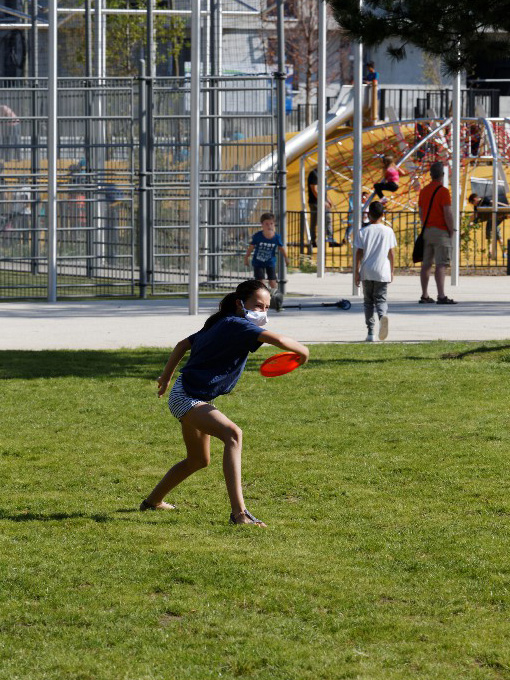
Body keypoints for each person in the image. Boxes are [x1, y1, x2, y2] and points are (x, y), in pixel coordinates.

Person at [140, 279, 309, 526]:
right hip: (188, 396)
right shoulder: (236, 325)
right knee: (233, 434)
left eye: (266, 307)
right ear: (240, 304)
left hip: (187, 392)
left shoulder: (222, 323)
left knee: (198, 460)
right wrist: (304, 353)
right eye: (258, 306)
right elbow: (281, 341)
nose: (263, 312)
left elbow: (181, 345)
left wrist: (166, 377)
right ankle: (239, 514)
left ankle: (152, 502)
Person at [354, 201, 397, 342]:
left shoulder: (363, 232)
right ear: (382, 214)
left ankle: (370, 332)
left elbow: (359, 253)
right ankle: (382, 316)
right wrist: (392, 270)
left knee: (368, 302)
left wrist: (356, 271)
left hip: (367, 270)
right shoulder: (388, 231)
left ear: (368, 214)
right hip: (382, 270)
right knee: (381, 299)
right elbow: (391, 253)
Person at [418, 162, 457, 304]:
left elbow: (421, 212)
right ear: (442, 175)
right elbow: (447, 212)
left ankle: (424, 295)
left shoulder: (424, 191)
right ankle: (441, 295)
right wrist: (451, 229)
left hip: (427, 230)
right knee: (441, 264)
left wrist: (425, 225)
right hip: (441, 231)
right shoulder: (443, 191)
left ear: (430, 174)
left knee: (426, 264)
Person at [244, 212, 289, 295]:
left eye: (271, 224)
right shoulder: (258, 236)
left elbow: (281, 248)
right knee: (260, 281)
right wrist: (246, 257)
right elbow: (251, 247)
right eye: (266, 224)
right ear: (262, 225)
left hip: (270, 262)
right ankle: (262, 296)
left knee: (272, 281)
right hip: (258, 262)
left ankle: (275, 296)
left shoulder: (276, 237)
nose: (269, 226)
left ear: (274, 224)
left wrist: (286, 258)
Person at [468, 192, 507, 259]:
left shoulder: (485, 199)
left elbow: (493, 205)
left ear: (475, 199)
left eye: (472, 202)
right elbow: (477, 216)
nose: (472, 204)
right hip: (490, 221)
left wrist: (506, 208)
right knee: (492, 236)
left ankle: (499, 252)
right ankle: (495, 252)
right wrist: (472, 223)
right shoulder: (476, 207)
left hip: (495, 218)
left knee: (495, 235)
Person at [307, 166, 340, 247]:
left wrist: (328, 200)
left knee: (328, 220)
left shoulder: (322, 175)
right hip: (315, 202)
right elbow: (314, 189)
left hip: (322, 201)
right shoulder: (314, 174)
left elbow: (324, 190)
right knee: (315, 222)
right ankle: (313, 241)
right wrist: (322, 201)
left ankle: (330, 240)